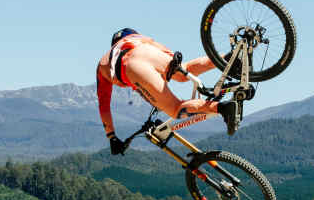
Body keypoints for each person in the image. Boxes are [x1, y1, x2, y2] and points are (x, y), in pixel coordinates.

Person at [96, 28, 240, 155]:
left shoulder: (104, 62)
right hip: (147, 51)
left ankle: (223, 108)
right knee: (185, 70)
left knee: (175, 109)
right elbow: (165, 53)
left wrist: (111, 136)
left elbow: (104, 106)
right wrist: (175, 65)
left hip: (132, 66)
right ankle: (228, 59)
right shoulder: (136, 38)